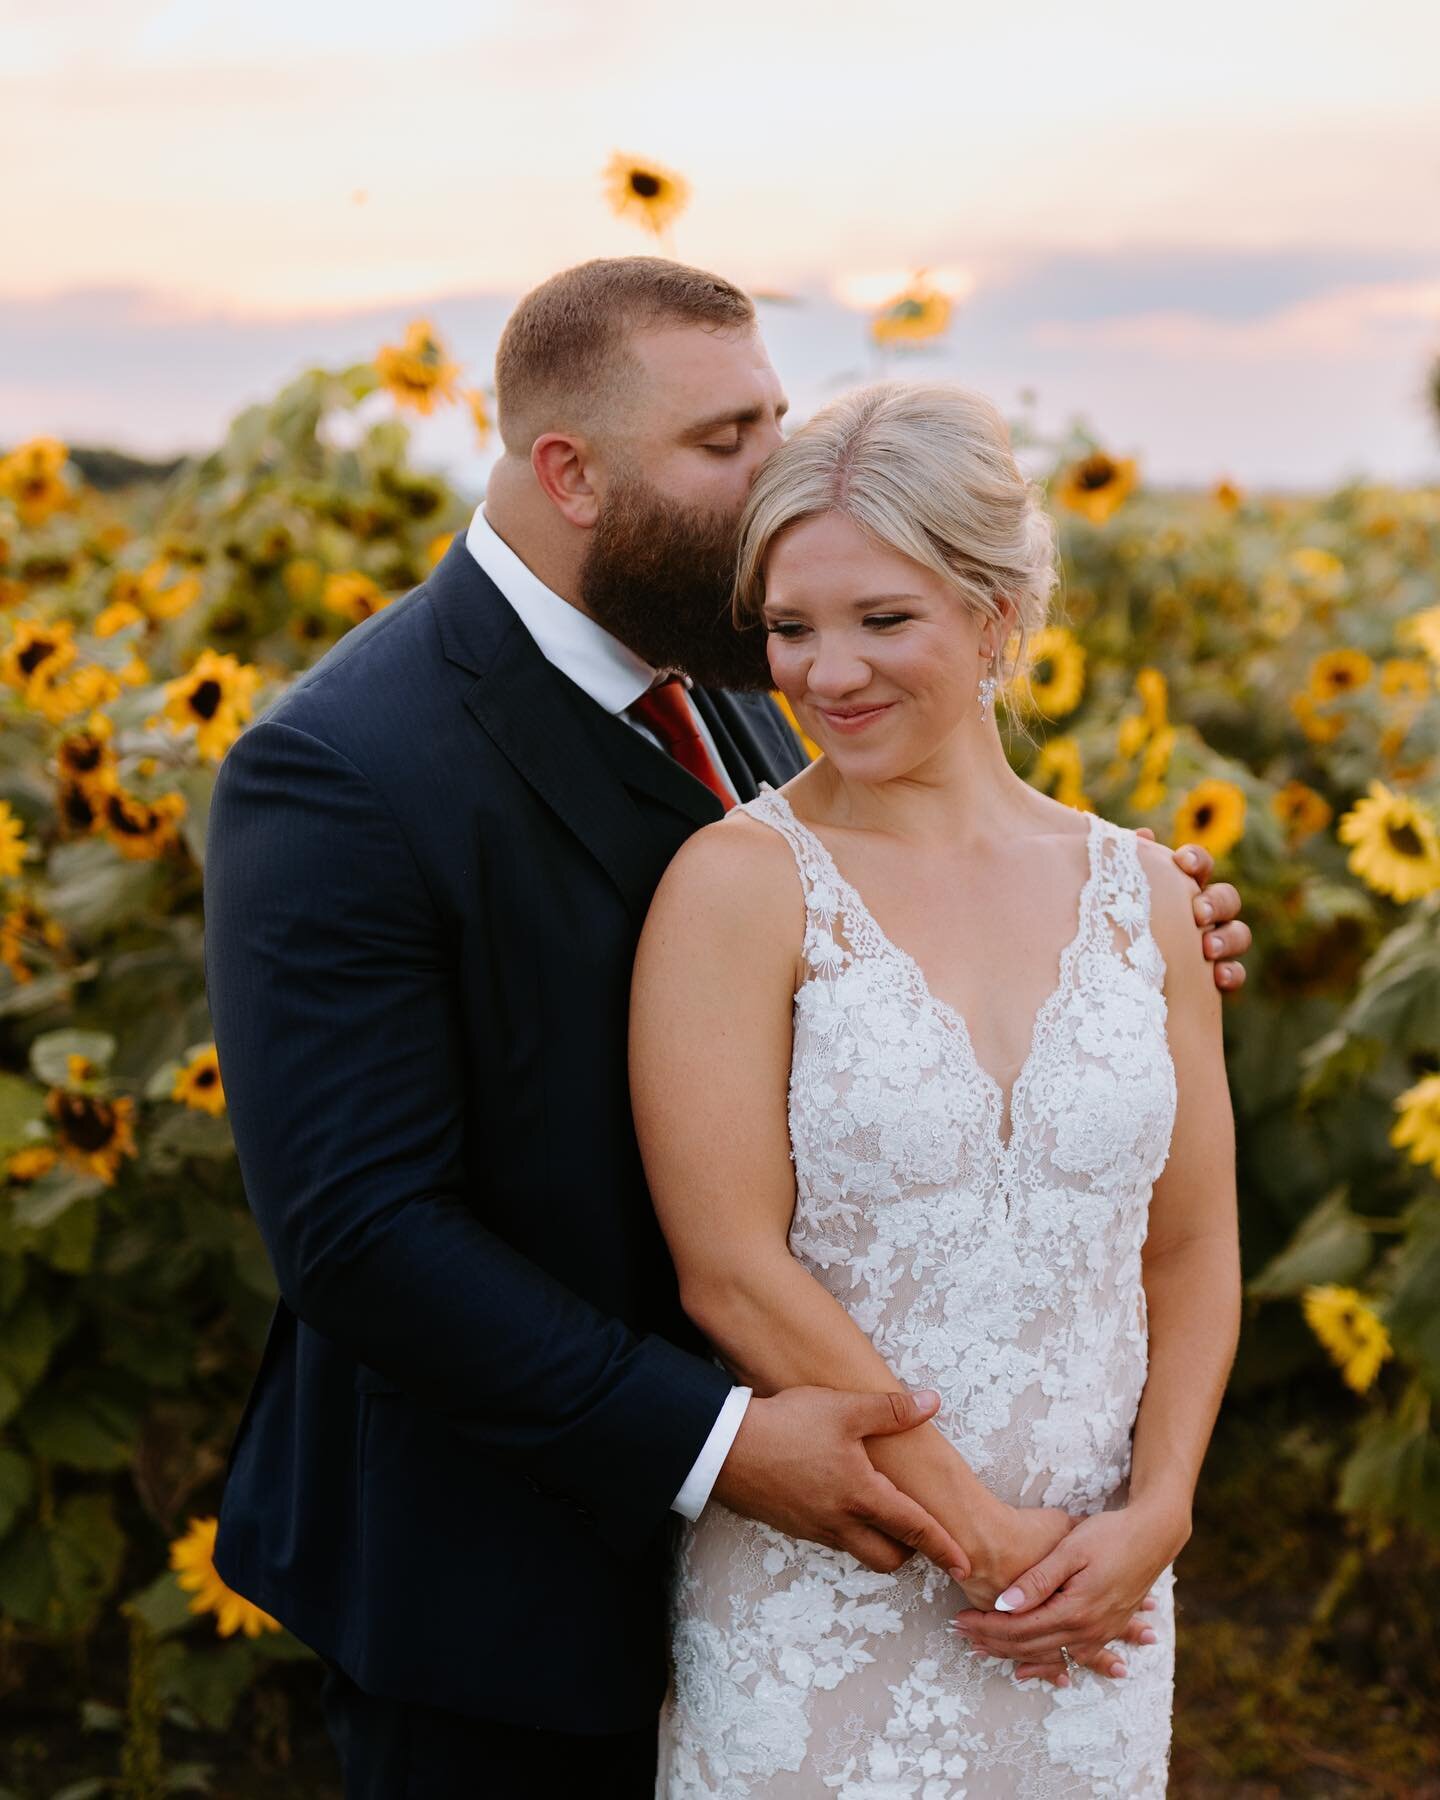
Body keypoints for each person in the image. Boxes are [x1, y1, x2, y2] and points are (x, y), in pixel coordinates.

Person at [203, 261, 1250, 1797]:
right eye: (727, 440)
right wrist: (720, 1444)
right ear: (573, 471)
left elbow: (898, 912)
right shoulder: (343, 767)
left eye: (773, 416)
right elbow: (361, 1235)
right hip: (506, 1582)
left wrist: (1131, 945)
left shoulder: (749, 681)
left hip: (887, 1545)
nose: (781, 469)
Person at [635, 381, 1242, 1796]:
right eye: (791, 628)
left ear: (997, 614)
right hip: (831, 1606)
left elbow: (1193, 1243)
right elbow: (729, 1270)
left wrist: (1160, 1514)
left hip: (1098, 1602)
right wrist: (983, 1536)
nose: (825, 673)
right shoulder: (737, 884)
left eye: (881, 620)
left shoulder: (1144, 894)